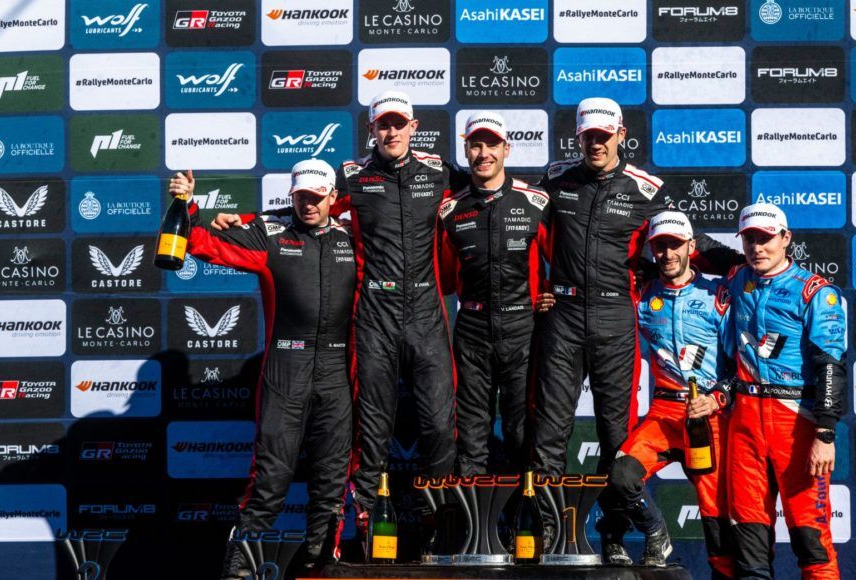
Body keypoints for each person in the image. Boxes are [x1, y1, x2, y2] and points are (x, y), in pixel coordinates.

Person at [212, 91, 462, 538]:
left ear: (414, 127)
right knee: (372, 430)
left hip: (427, 312)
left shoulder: (440, 171)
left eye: (399, 123)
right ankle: (366, 530)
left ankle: (440, 526)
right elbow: (305, 211)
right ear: (371, 130)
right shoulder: (352, 176)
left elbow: (486, 199)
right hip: (376, 313)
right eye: (383, 124)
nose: (391, 132)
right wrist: (245, 220)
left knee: (440, 426)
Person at [528, 97, 742, 539]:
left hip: (614, 317)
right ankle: (548, 532)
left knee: (616, 436)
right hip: (563, 316)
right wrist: (535, 289)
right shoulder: (555, 177)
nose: (596, 143)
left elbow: (690, 241)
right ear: (578, 137)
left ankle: (614, 537)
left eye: (604, 136)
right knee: (549, 431)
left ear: (621, 135)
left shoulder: (647, 189)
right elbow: (519, 232)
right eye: (588, 136)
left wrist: (747, 267)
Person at [168, 160, 355, 577]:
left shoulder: (353, 233)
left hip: (336, 371)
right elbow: (203, 243)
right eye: (300, 197)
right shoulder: (270, 234)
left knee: (331, 482)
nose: (308, 204)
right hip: (286, 367)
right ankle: (237, 571)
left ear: (332, 195)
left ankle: (321, 567)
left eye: (316, 196)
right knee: (269, 480)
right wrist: (188, 205)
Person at [599, 210, 735, 575]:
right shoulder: (642, 294)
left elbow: (741, 363)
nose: (668, 254)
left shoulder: (719, 296)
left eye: (675, 245)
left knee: (717, 515)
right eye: (660, 246)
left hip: (707, 419)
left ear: (691, 246)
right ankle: (655, 531)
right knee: (621, 475)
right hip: (663, 414)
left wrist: (717, 397)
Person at [724, 203, 846, 579]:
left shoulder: (815, 291)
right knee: (748, 542)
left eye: (766, 238)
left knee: (811, 540)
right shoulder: (737, 277)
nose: (757, 247)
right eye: (749, 239)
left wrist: (825, 433)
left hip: (796, 422)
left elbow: (830, 364)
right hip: (745, 421)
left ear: (786, 238)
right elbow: (693, 251)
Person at [436, 111, 554, 476]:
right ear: (466, 151)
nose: (483, 153)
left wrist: (553, 294)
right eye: (476, 145)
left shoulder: (536, 202)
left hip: (523, 328)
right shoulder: (450, 210)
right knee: (471, 433)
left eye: (492, 145)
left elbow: (566, 261)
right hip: (472, 328)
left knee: (521, 430)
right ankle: (475, 512)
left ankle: (524, 509)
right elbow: (445, 279)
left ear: (506, 149)